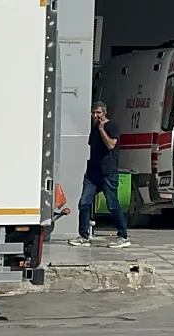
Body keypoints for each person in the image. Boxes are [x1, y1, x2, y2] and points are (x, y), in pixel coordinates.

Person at [68, 102, 131, 248]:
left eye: (98, 113)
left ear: (104, 113)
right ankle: (83, 236)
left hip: (108, 173)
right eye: (93, 113)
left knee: (112, 204)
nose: (95, 116)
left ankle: (123, 236)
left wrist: (102, 129)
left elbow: (111, 145)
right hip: (93, 174)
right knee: (84, 203)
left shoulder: (112, 126)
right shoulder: (94, 128)